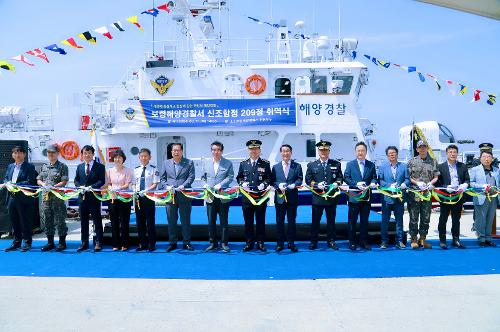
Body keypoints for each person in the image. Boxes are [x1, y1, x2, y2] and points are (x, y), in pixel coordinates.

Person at [304, 140, 343, 250]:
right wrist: (316, 185)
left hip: (331, 197)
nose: (323, 152)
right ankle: (313, 241)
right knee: (315, 221)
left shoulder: (336, 164)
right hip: (318, 197)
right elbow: (308, 180)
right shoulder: (312, 165)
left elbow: (340, 177)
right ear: (318, 151)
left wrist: (337, 183)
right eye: (321, 150)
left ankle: (331, 241)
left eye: (325, 150)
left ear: (329, 151)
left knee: (331, 221)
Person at [236, 140, 272, 252]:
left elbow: (269, 178)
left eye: (256, 149)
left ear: (260, 150)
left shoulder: (265, 163)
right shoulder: (243, 163)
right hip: (247, 197)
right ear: (248, 150)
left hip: (261, 197)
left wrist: (264, 184)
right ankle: (249, 242)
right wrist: (242, 183)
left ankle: (260, 243)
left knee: (260, 221)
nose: (254, 151)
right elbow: (239, 177)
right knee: (248, 221)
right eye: (252, 149)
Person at [1, 146, 38, 252]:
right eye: (15, 153)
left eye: (20, 153)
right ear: (13, 155)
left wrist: (15, 185)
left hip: (23, 198)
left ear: (24, 155)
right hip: (11, 197)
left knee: (24, 220)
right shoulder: (10, 166)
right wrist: (7, 183)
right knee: (14, 220)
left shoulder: (29, 167)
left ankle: (27, 242)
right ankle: (16, 242)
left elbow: (30, 181)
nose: (17, 155)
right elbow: (6, 178)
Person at [161, 143, 195, 252]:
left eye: (178, 150)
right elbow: (162, 178)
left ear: (182, 151)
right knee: (171, 221)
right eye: (174, 150)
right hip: (170, 196)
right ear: (171, 152)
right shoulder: (166, 163)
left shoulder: (189, 163)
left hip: (184, 195)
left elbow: (191, 176)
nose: (176, 152)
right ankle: (172, 243)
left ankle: (186, 243)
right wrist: (166, 186)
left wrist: (184, 185)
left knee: (185, 220)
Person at [344, 142, 378, 251]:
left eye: (362, 150)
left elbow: (374, 177)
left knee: (364, 221)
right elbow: (346, 178)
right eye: (358, 150)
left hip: (366, 197)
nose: (360, 152)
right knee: (352, 221)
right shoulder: (350, 164)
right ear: (355, 152)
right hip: (354, 197)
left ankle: (364, 241)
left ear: (366, 152)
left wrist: (373, 182)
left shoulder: (371, 165)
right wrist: (356, 184)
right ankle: (352, 242)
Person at [202, 141, 234, 252]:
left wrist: (221, 184)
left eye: (218, 150)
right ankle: (213, 243)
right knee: (211, 221)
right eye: (214, 150)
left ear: (222, 151)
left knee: (224, 221)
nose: (216, 152)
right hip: (210, 197)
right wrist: (204, 184)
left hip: (223, 196)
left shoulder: (228, 163)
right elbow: (203, 177)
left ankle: (224, 243)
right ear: (211, 151)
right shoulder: (206, 163)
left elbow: (230, 177)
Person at [407, 140, 439, 249]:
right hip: (415, 194)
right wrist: (417, 183)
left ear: (427, 148)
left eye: (424, 147)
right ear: (417, 149)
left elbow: (436, 176)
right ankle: (414, 239)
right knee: (414, 217)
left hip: (427, 194)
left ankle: (423, 238)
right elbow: (409, 177)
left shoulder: (433, 161)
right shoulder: (411, 162)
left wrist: (431, 183)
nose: (422, 149)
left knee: (426, 217)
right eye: (420, 147)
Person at [36, 144, 69, 252]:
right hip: (46, 198)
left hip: (57, 198)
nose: (51, 154)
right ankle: (50, 242)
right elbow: (39, 179)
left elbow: (64, 181)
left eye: (53, 152)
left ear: (57, 154)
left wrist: (54, 187)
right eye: (49, 153)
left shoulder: (62, 166)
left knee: (60, 220)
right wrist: (43, 184)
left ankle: (62, 242)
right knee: (47, 220)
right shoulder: (44, 166)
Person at [436, 144, 470, 249]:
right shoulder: (440, 167)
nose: (452, 154)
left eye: (454, 152)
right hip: (445, 196)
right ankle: (442, 240)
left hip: (458, 196)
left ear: (457, 154)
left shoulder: (462, 166)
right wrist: (446, 187)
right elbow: (437, 183)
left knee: (456, 219)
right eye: (450, 152)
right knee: (443, 218)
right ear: (446, 153)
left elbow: (467, 179)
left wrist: (465, 185)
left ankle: (456, 239)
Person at [74, 145, 106, 252]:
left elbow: (101, 181)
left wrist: (91, 187)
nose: (86, 155)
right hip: (82, 198)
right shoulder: (79, 167)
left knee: (97, 220)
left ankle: (98, 242)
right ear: (82, 155)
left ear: (93, 154)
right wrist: (80, 187)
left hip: (94, 197)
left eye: (89, 153)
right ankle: (84, 243)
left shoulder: (100, 167)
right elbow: (76, 180)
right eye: (84, 153)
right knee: (83, 221)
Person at [271, 144, 303, 252]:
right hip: (280, 198)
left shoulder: (297, 166)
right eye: (283, 151)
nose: (286, 153)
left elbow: (300, 179)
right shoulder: (275, 167)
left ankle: (291, 243)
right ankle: (280, 243)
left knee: (291, 221)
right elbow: (272, 181)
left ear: (291, 152)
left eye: (288, 151)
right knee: (279, 221)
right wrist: (278, 185)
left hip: (292, 197)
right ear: (280, 153)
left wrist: (295, 184)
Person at [377, 146, 410, 249]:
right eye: (390, 153)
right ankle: (384, 241)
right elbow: (380, 180)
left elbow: (407, 179)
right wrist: (388, 186)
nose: (392, 154)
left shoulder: (404, 166)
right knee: (385, 221)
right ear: (387, 155)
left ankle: (399, 241)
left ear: (397, 154)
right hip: (387, 197)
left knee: (399, 220)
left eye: (394, 152)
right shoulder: (382, 166)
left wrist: (405, 184)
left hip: (399, 198)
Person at [469, 150, 499, 247]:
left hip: (493, 198)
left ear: (492, 158)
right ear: (480, 158)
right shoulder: (475, 169)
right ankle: (481, 238)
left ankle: (488, 238)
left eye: (489, 157)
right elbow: (471, 183)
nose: (486, 159)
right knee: (481, 219)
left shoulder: (496, 170)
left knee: (490, 218)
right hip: (481, 196)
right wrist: (482, 186)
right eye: (484, 157)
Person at [106, 149, 134, 251]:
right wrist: (110, 188)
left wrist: (119, 188)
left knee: (124, 221)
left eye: (119, 157)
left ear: (123, 159)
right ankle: (115, 244)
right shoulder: (109, 170)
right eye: (116, 157)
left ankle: (125, 244)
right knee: (114, 222)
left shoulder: (128, 171)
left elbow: (127, 184)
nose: (117, 159)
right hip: (113, 199)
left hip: (124, 198)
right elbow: (108, 183)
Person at [133, 148, 160, 252]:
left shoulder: (154, 169)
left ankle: (151, 243)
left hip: (149, 197)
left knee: (150, 221)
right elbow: (133, 182)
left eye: (146, 156)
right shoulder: (136, 169)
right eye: (142, 156)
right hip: (138, 198)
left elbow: (155, 183)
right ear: (139, 157)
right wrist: (135, 188)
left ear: (150, 157)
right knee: (140, 222)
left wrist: (147, 190)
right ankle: (142, 243)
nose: (143, 158)